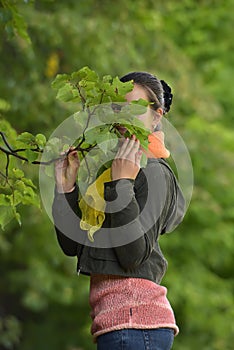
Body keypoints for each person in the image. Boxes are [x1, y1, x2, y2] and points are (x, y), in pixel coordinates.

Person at [52, 71, 186, 350]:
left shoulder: (155, 173)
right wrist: (66, 190)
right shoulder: (110, 174)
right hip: (116, 324)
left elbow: (133, 256)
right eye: (117, 108)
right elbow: (73, 245)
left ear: (157, 115)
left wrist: (122, 182)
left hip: (137, 326)